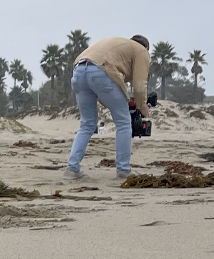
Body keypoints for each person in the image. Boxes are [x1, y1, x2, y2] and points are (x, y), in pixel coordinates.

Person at [64, 34, 151, 181]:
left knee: (87, 125)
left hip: (79, 71)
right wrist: (142, 106)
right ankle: (123, 169)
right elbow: (140, 85)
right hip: (102, 72)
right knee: (124, 123)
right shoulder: (141, 51)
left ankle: (72, 168)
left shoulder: (118, 45)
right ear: (147, 48)